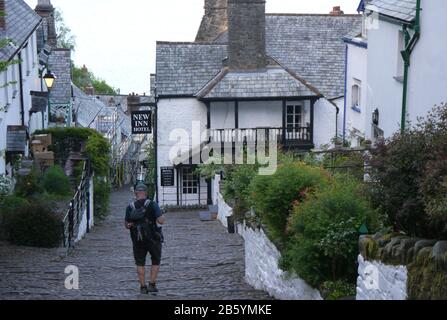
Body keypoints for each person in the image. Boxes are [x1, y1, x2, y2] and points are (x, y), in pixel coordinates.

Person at [125, 183, 166, 294]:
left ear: (136, 193)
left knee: (140, 263)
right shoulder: (153, 204)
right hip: (153, 238)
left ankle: (143, 287)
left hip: (137, 240)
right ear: (146, 193)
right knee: (155, 260)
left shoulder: (130, 207)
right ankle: (152, 285)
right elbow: (161, 221)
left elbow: (127, 225)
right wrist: (162, 214)